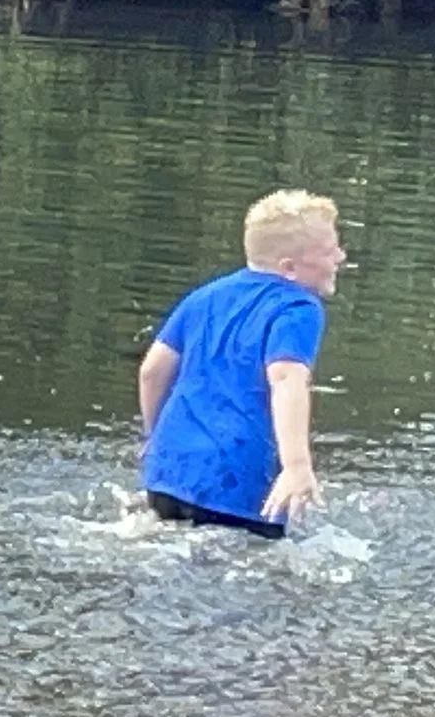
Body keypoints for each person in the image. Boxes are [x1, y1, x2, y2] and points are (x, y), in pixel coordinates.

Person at [135, 189, 347, 538]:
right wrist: (297, 466)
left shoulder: (205, 295)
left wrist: (155, 437)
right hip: (239, 486)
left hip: (167, 475)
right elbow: (285, 378)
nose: (340, 256)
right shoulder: (298, 307)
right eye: (329, 251)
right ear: (289, 268)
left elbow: (151, 371)